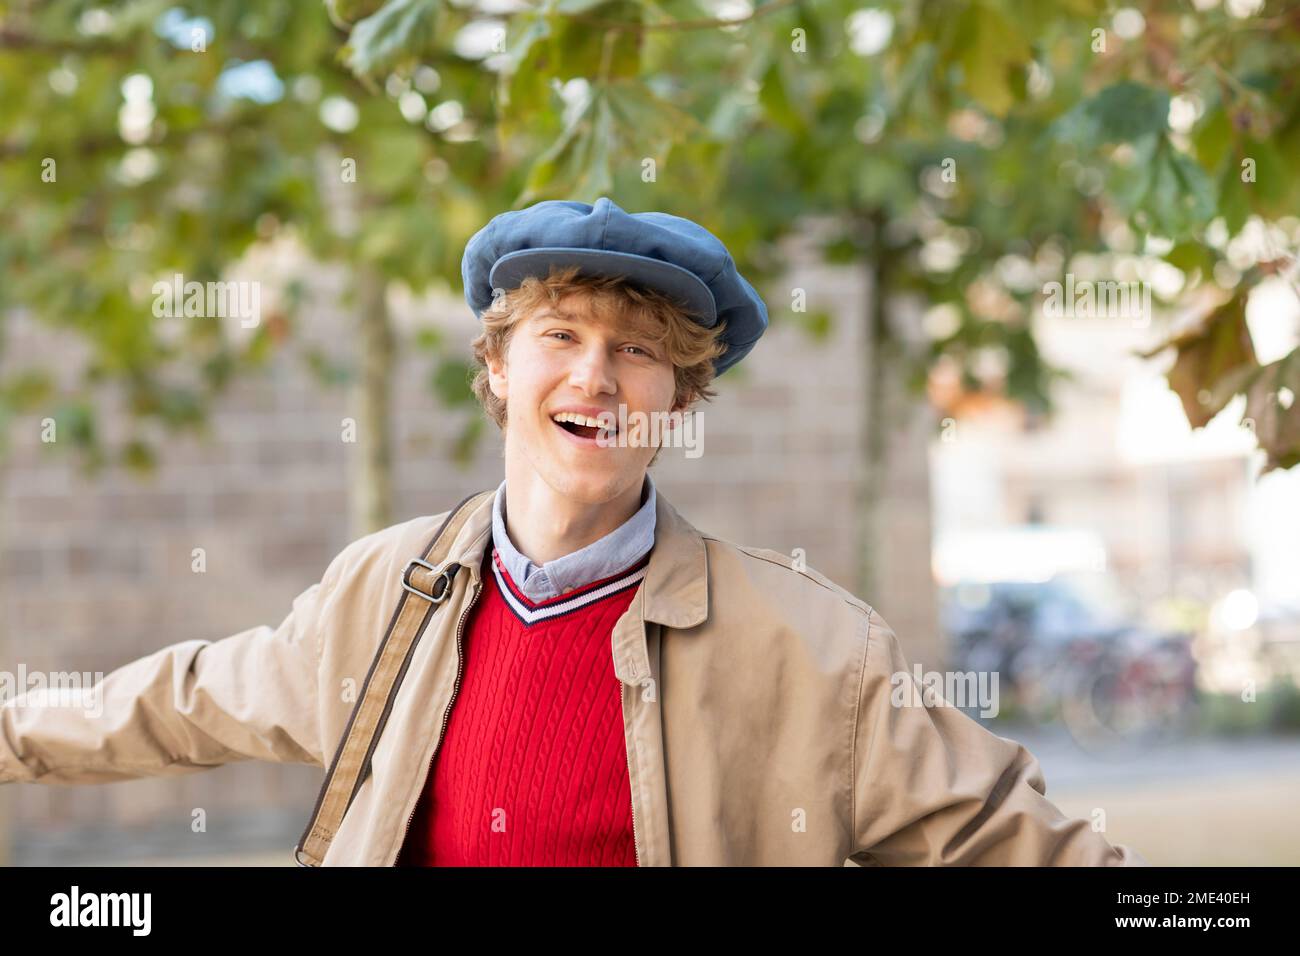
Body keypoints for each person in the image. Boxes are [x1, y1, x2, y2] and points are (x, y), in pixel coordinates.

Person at [0, 197, 1145, 866]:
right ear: (497, 368)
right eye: (559, 333)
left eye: (639, 348)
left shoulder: (814, 647)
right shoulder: (389, 588)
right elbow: (183, 697)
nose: (596, 374)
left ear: (680, 399)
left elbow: (1019, 845)